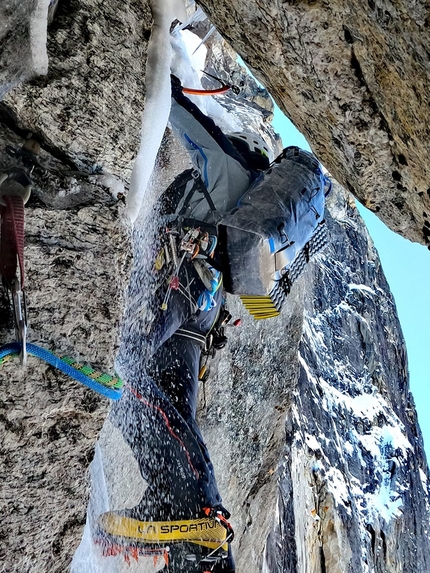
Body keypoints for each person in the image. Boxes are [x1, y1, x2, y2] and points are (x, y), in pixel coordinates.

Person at [79, 76, 329, 573]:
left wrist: (151, 64)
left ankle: (192, 512)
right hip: (201, 316)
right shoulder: (263, 239)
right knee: (172, 413)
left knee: (123, 366)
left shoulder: (231, 171)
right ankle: (193, 533)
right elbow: (258, 301)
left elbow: (184, 121)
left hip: (179, 285)